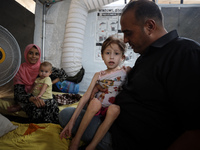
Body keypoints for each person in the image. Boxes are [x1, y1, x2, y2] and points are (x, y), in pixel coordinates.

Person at [60, 1, 200, 150]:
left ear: (150, 26)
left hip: (126, 139)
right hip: (113, 120)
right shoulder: (145, 57)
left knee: (66, 115)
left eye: (128, 33)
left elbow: (195, 130)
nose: (125, 40)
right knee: (68, 114)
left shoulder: (185, 53)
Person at [59, 35, 130, 150]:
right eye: (107, 53)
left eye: (116, 54)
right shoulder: (99, 75)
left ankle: (92, 146)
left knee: (115, 109)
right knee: (95, 102)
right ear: (102, 56)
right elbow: (86, 95)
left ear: (122, 57)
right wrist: (71, 122)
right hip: (95, 109)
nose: (111, 57)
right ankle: (76, 139)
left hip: (110, 112)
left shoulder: (125, 71)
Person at [8, 44, 67, 123]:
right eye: (30, 53)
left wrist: (50, 83)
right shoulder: (20, 70)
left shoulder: (43, 68)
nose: (33, 56)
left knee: (52, 105)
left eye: (36, 54)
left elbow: (63, 74)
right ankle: (38, 130)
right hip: (27, 97)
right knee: (36, 109)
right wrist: (31, 98)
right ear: (26, 54)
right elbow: (18, 94)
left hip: (43, 95)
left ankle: (51, 128)